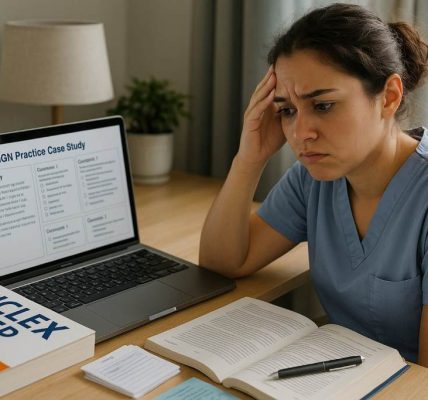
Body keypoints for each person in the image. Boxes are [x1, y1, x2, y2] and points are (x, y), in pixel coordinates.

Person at [199, 3, 428, 366]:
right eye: (287, 110)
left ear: (389, 96)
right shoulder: (316, 179)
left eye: (322, 106)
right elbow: (224, 261)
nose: (300, 133)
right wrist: (249, 159)